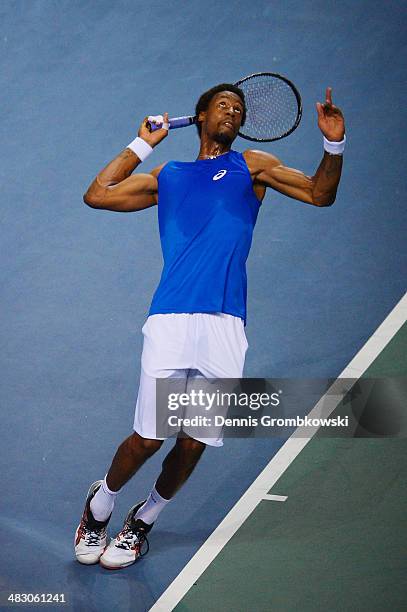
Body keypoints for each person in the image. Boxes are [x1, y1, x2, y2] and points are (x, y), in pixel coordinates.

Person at [74, 83, 345, 569]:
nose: (233, 112)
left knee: (195, 438)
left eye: (238, 110)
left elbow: (320, 193)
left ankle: (146, 518)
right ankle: (101, 506)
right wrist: (143, 144)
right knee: (149, 437)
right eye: (223, 105)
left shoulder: (252, 166)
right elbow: (98, 194)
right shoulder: (170, 174)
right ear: (200, 116)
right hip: (172, 319)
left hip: (225, 325)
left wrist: (333, 144)